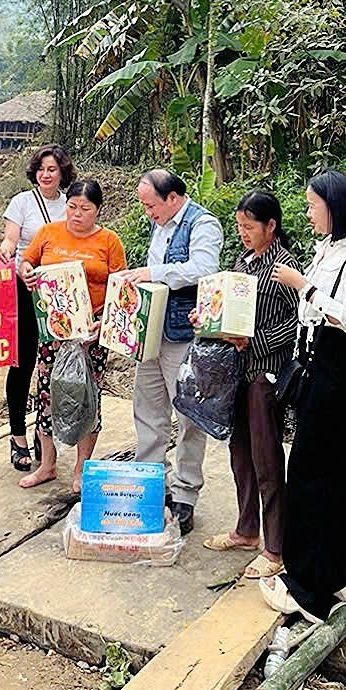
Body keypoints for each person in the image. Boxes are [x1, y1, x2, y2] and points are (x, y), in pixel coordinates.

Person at [260, 169, 346, 622]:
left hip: (340, 364)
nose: (308, 213)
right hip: (315, 361)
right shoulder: (328, 248)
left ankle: (306, 590)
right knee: (324, 473)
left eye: (314, 205)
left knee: (317, 474)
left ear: (334, 206)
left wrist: (303, 285)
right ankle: (337, 574)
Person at [116, 169, 224, 536]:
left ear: (173, 198)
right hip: (150, 333)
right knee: (147, 411)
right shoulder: (159, 224)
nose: (147, 212)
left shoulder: (202, 224)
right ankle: (151, 487)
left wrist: (152, 273)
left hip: (183, 336)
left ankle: (185, 495)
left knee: (189, 417)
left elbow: (203, 269)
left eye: (151, 205)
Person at [199, 191, 300, 579]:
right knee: (239, 451)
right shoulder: (242, 261)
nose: (242, 233)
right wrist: (207, 316)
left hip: (265, 373)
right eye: (239, 226)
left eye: (249, 226)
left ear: (270, 226)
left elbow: (294, 324)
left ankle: (275, 547)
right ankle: (245, 529)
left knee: (266, 457)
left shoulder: (284, 267)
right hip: (236, 371)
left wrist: (252, 341)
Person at [17, 178, 126, 493]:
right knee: (48, 391)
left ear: (97, 210)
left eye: (85, 209)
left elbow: (121, 287)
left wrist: (103, 320)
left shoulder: (109, 241)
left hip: (91, 328)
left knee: (86, 394)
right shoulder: (49, 233)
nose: (77, 214)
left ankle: (81, 467)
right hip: (54, 326)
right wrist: (26, 271)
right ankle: (47, 465)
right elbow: (28, 260)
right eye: (72, 207)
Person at [0, 143, 75, 474]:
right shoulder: (22, 202)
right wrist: (6, 250)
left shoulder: (71, 206)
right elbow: (12, 241)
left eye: (52, 169)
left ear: (62, 173)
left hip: (60, 292)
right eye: (42, 169)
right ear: (35, 171)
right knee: (23, 362)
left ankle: (46, 437)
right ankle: (18, 437)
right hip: (25, 287)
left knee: (56, 366)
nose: (46, 174)